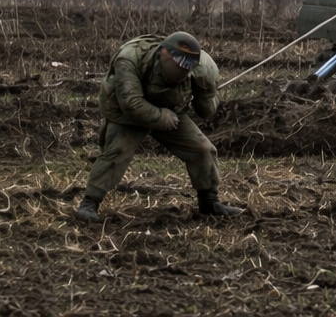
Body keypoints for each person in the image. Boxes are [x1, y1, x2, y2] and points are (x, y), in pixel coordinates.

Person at [75, 31, 241, 221]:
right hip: (128, 113)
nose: (184, 68)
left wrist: (207, 93)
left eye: (188, 65)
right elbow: (130, 102)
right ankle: (89, 203)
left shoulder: (200, 67)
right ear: (163, 53)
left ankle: (209, 202)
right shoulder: (130, 58)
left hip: (170, 109)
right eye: (179, 63)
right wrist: (160, 116)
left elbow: (206, 110)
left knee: (203, 149)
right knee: (118, 150)